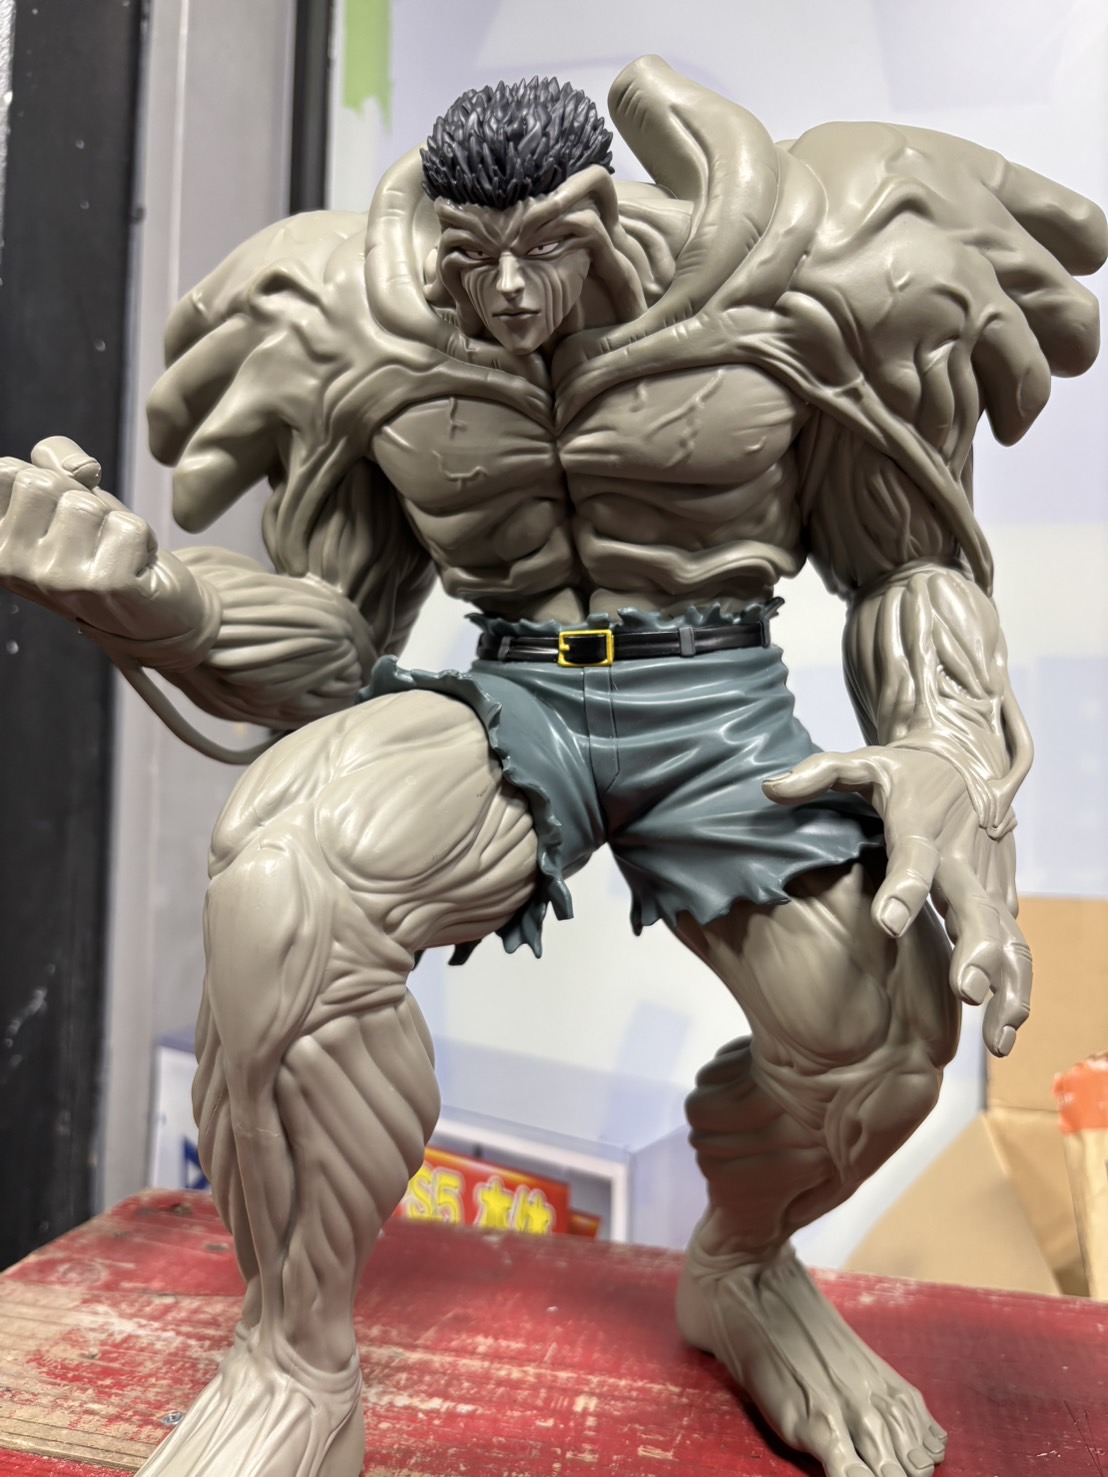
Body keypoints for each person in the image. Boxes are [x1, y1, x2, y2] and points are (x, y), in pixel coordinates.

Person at [0, 56, 1103, 1477]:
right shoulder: (370, 336)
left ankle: (744, 1267)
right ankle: (293, 1362)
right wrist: (156, 597)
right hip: (520, 693)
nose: (511, 295)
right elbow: (336, 636)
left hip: (715, 704)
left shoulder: (789, 288)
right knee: (281, 881)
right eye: (475, 261)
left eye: (545, 248)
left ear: (601, 206)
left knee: (884, 1033)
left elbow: (909, 566)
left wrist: (946, 738)